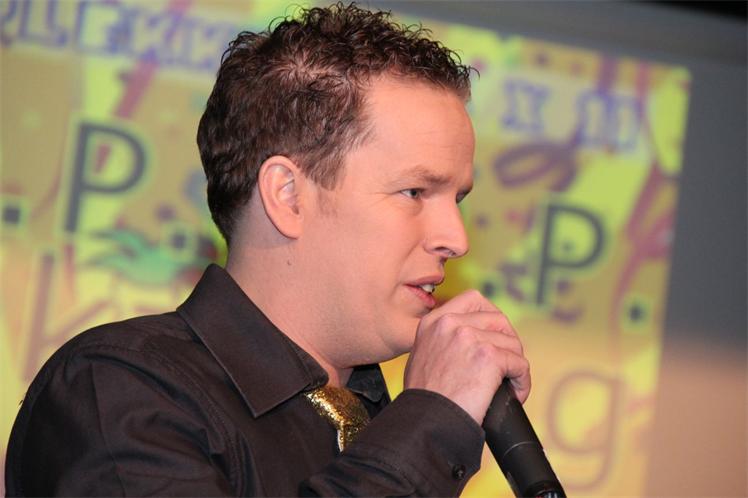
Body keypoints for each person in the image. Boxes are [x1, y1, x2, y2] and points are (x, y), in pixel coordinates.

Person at [5, 3, 530, 496]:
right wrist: (430, 421)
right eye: (414, 191)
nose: (456, 239)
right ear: (288, 195)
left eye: (457, 199)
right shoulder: (119, 388)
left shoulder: (380, 427)